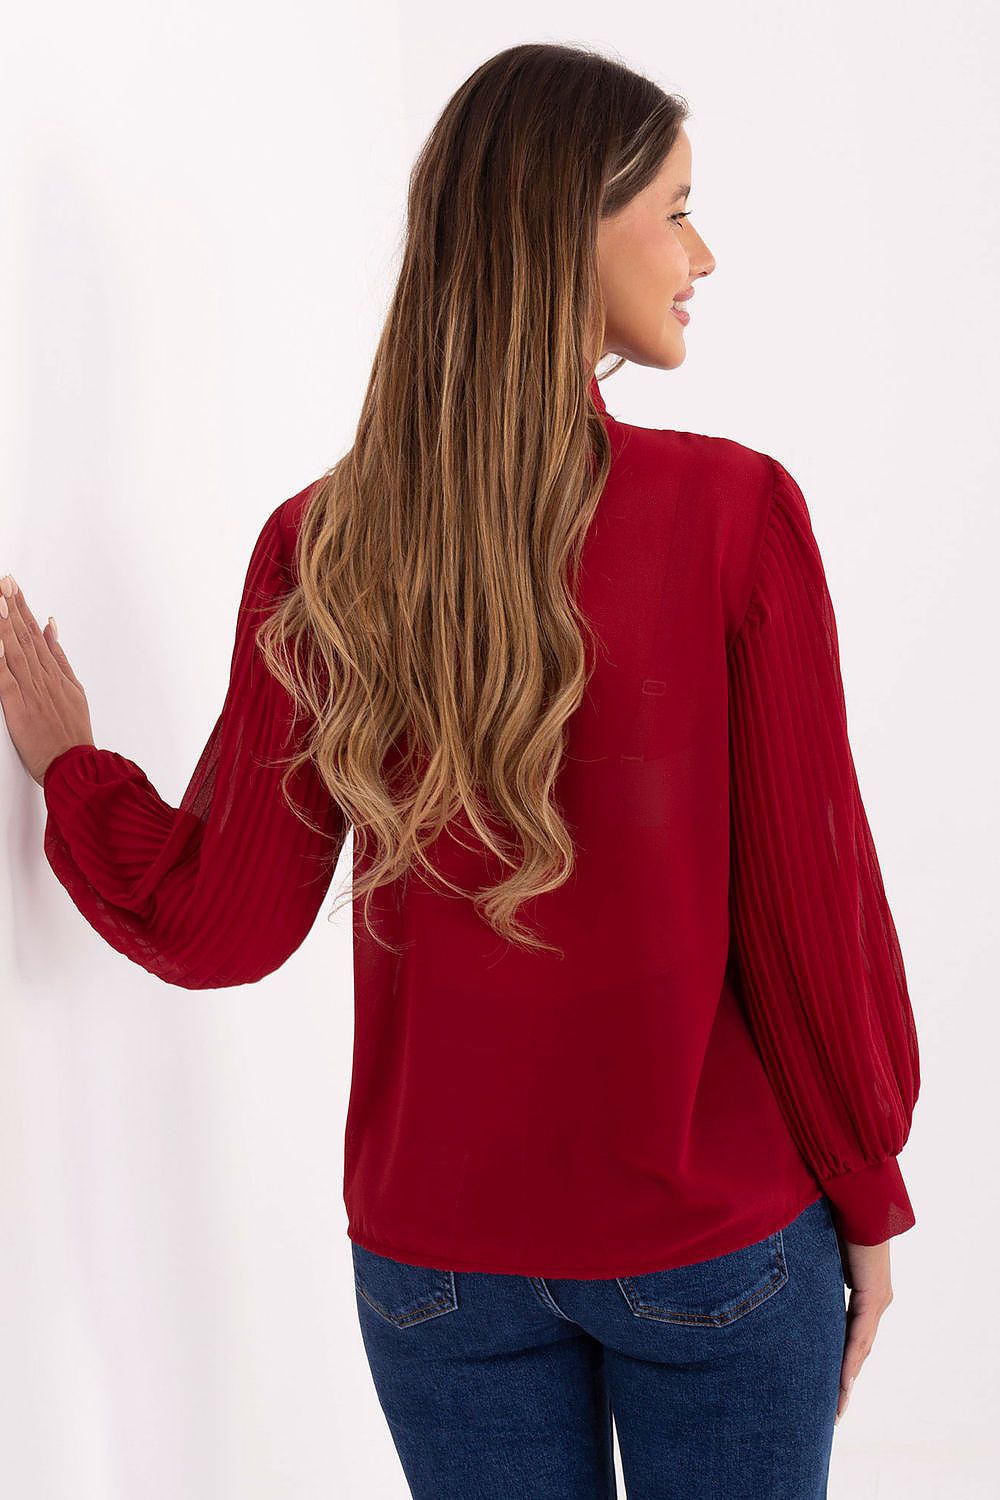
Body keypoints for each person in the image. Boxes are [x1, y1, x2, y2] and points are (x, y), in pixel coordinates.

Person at [1, 41, 919, 1500]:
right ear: (572, 231)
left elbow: (219, 924)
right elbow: (814, 916)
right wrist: (869, 1190)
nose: (704, 253)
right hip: (714, 1250)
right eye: (676, 209)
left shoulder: (327, 548)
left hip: (437, 1268)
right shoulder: (734, 515)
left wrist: (73, 776)